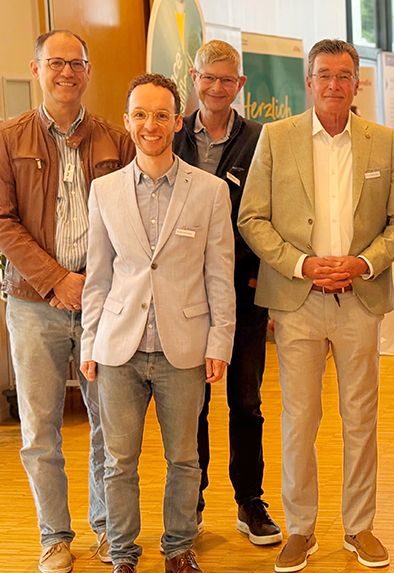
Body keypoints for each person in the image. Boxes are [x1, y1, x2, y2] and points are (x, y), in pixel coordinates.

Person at [238, 38, 394, 573]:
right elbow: (252, 217)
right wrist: (302, 264)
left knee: (361, 417)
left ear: (357, 83)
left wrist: (362, 263)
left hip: (359, 298)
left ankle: (359, 526)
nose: (334, 84)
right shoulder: (276, 137)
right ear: (309, 82)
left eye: (343, 75)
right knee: (299, 419)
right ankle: (300, 529)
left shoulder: (383, 141)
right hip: (299, 301)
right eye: (324, 75)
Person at [80, 73, 235, 573]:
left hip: (183, 347)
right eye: (141, 114)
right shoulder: (104, 191)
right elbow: (98, 276)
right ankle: (123, 553)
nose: (151, 124)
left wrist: (220, 343)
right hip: (118, 347)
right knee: (118, 461)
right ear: (127, 122)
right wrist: (89, 343)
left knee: (184, 459)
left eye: (162, 115)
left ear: (177, 122)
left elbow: (220, 275)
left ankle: (179, 548)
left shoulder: (210, 191)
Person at [0, 29, 134, 573]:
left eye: (76, 63)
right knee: (40, 430)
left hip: (102, 305)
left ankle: (106, 527)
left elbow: (133, 222)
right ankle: (54, 537)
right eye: (55, 63)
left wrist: (93, 285)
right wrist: (56, 279)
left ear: (88, 71)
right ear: (36, 70)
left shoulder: (116, 141)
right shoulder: (7, 138)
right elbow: (2, 222)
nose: (66, 72)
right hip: (34, 304)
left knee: (110, 425)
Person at [172, 39, 281, 545]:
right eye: (208, 77)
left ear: (240, 84)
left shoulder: (261, 139)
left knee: (246, 400)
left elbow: (275, 211)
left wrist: (260, 277)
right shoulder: (173, 135)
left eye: (226, 79)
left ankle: (249, 501)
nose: (216, 87)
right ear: (194, 79)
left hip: (243, 291)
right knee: (190, 403)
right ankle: (191, 501)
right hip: (183, 296)